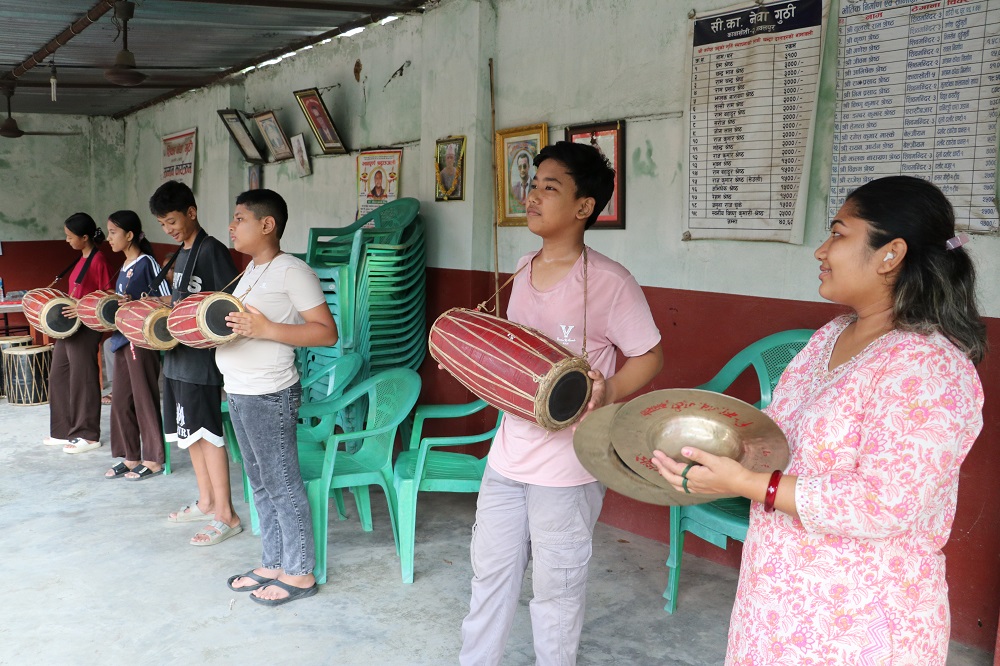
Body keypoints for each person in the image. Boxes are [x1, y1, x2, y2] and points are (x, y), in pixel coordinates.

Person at [652, 176, 986, 665]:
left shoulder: (928, 367)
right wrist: (713, 455)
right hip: (778, 601)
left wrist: (749, 483)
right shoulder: (831, 336)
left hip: (860, 619)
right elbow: (778, 436)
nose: (821, 251)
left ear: (890, 254)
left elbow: (884, 503)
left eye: (839, 233)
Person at [459, 142, 663, 665]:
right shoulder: (523, 268)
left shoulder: (612, 282)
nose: (533, 196)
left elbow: (650, 355)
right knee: (490, 575)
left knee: (557, 590)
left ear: (583, 207)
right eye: (534, 185)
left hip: (568, 468)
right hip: (507, 459)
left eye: (550, 187)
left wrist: (610, 390)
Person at [217, 189, 338, 605]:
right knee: (260, 482)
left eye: (239, 219)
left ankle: (300, 572)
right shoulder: (249, 271)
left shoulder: (292, 271)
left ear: (266, 225)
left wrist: (266, 330)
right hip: (239, 389)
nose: (231, 227)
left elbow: (325, 331)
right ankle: (272, 562)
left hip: (269, 392)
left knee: (282, 482)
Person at [150, 180, 242, 546]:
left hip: (201, 363)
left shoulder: (212, 250)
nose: (169, 229)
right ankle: (206, 501)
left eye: (172, 220)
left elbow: (227, 308)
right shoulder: (180, 253)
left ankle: (227, 514)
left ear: (192, 212)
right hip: (176, 361)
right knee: (189, 435)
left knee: (208, 435)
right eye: (162, 224)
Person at [103, 210, 171, 480]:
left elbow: (167, 301)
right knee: (120, 401)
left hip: (141, 341)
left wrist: (136, 303)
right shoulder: (124, 266)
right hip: (122, 339)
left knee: (144, 398)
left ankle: (153, 458)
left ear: (129, 235)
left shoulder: (147, 263)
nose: (108, 238)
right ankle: (130, 457)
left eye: (113, 233)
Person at [45, 213, 113, 454]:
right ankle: (62, 429)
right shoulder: (80, 259)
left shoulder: (98, 260)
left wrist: (81, 307)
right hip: (69, 329)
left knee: (82, 379)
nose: (67, 241)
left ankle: (87, 434)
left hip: (86, 328)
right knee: (59, 376)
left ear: (85, 238)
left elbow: (107, 297)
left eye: (69, 237)